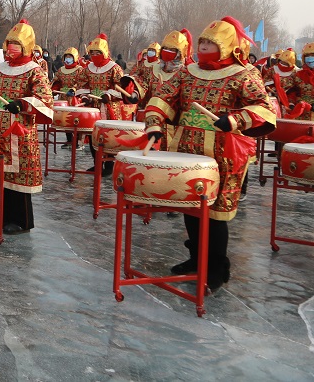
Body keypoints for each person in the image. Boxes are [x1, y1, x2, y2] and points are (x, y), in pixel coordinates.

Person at [143, 16, 275, 292]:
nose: (203, 47)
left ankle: (217, 267)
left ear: (226, 46)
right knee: (191, 205)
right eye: (201, 42)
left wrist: (235, 120)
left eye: (210, 43)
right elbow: (165, 98)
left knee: (214, 212)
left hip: (222, 153)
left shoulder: (243, 73)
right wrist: (154, 124)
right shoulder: (188, 72)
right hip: (187, 149)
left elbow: (264, 107)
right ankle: (195, 258)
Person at [0, 19, 53, 234]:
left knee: (19, 178)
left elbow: (44, 98)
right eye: (9, 43)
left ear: (26, 46)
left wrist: (22, 104)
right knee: (0, 174)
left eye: (16, 44)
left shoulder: (35, 70)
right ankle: (2, 216)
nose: (11, 48)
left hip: (20, 131)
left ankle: (21, 221)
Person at [77, 33, 141, 176]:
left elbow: (121, 86)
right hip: (93, 107)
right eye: (92, 52)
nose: (94, 55)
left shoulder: (114, 67)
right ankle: (97, 163)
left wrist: (109, 95)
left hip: (110, 107)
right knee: (93, 135)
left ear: (104, 52)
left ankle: (109, 164)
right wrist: (86, 96)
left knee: (109, 137)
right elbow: (82, 83)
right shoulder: (88, 68)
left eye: (97, 52)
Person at [50, 47, 83, 148]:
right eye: (66, 57)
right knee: (65, 120)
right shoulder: (61, 70)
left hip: (74, 98)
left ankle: (77, 142)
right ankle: (69, 140)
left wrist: (73, 90)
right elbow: (57, 81)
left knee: (75, 120)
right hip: (63, 97)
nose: (68, 59)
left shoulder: (79, 70)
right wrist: (53, 89)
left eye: (70, 57)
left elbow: (81, 82)